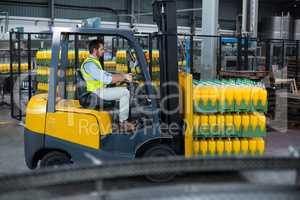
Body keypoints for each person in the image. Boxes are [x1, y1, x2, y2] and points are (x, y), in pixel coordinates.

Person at [80, 39, 135, 131]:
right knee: (125, 92)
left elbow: (107, 74)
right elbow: (106, 79)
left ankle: (119, 119)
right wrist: (124, 77)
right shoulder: (90, 64)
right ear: (95, 50)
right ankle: (123, 122)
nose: (103, 51)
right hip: (96, 92)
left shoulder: (94, 62)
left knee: (123, 92)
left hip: (99, 90)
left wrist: (122, 76)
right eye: (101, 49)